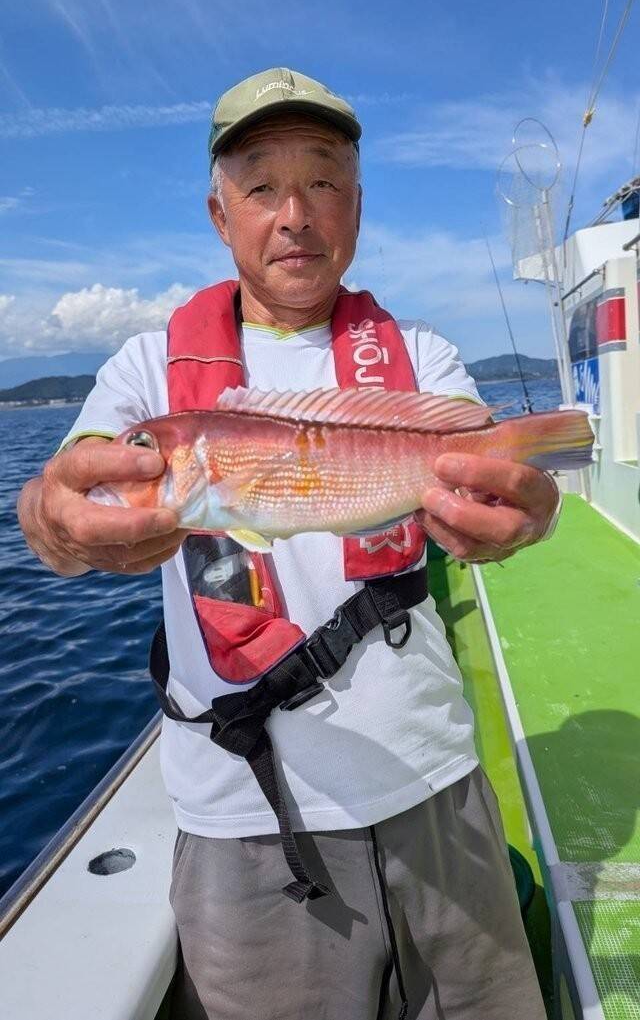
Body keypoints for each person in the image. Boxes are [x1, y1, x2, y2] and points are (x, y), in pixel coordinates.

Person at [18, 68, 556, 1020]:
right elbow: (59, 502)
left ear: (357, 206)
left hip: (435, 782)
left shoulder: (420, 353)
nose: (294, 212)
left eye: (324, 181)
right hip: (245, 818)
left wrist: (520, 508)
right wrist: (61, 521)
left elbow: (484, 465)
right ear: (220, 214)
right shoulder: (147, 371)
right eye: (262, 185)